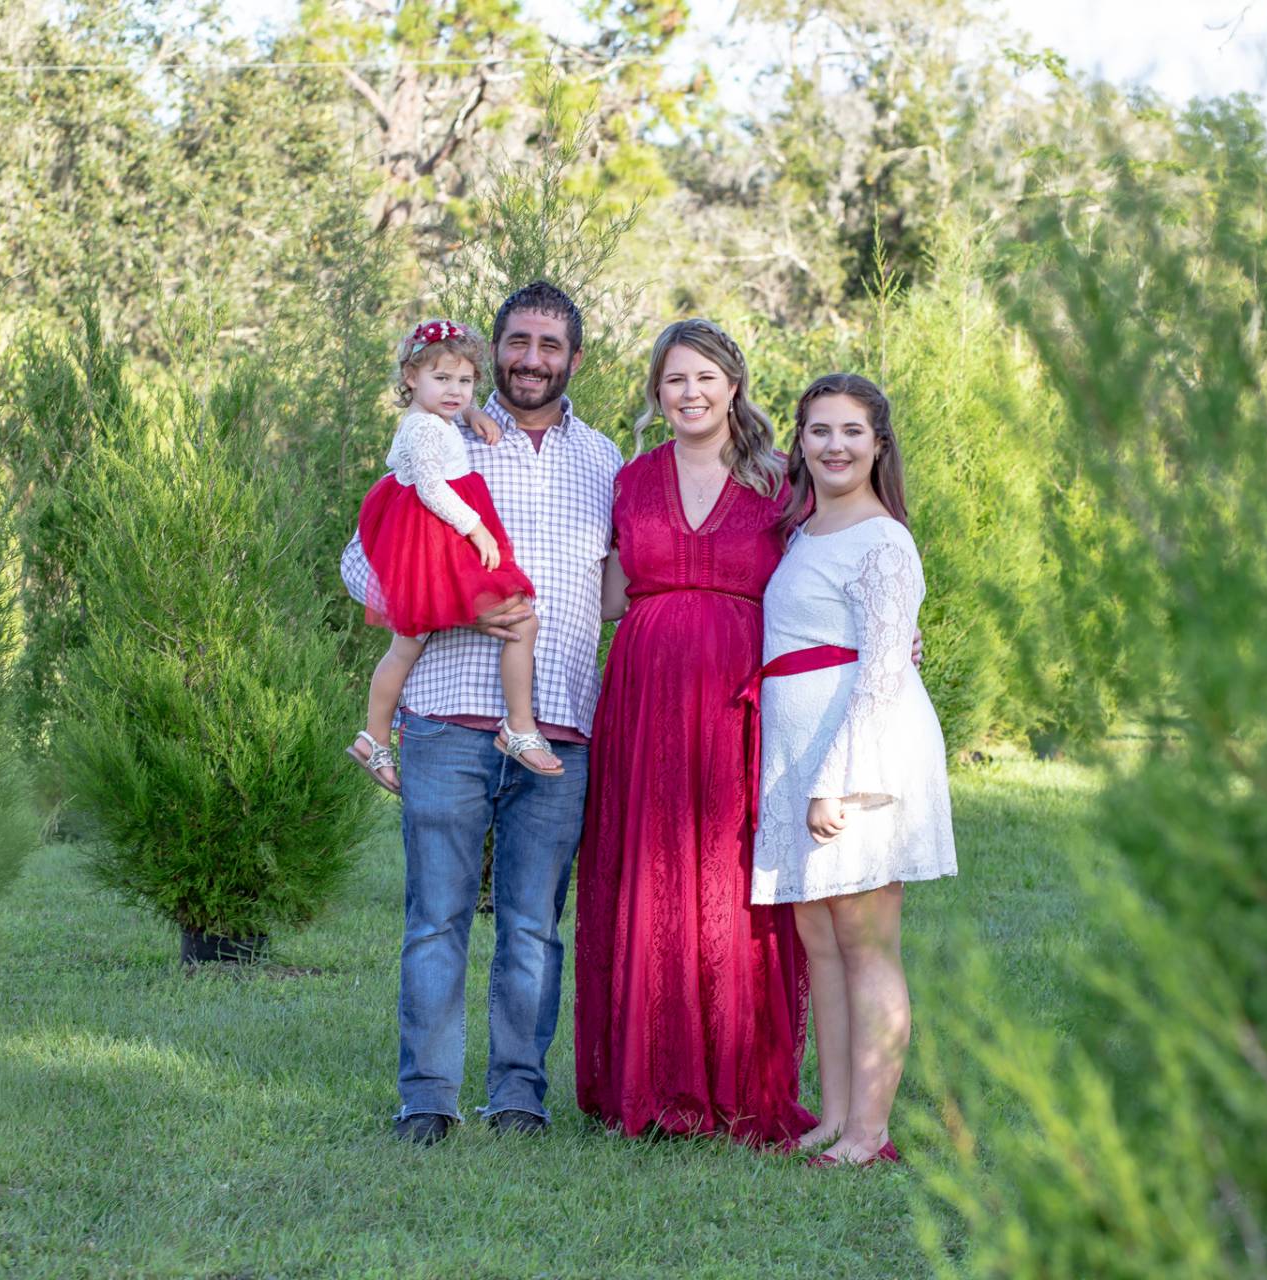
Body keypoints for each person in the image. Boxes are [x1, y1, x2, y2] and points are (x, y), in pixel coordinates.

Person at [340, 282, 622, 1144]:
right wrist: (458, 605)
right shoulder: (440, 433)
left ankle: (518, 1101)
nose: (532, 359)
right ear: (492, 349)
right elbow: (362, 565)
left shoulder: (606, 460)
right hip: (447, 716)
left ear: (575, 358)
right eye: (518, 341)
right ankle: (426, 1101)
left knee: (536, 926)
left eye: (551, 345)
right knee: (437, 919)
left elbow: (622, 587)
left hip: (561, 723)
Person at [575, 318, 819, 1147]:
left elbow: (833, 567)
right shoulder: (629, 480)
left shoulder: (780, 479)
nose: (690, 393)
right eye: (675, 379)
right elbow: (605, 595)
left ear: (734, 386)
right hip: (644, 696)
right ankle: (652, 1074)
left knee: (730, 873)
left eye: (706, 377)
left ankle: (741, 1082)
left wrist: (889, 633)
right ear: (656, 390)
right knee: (649, 870)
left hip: (740, 699)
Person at [748, 372, 957, 1167]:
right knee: (822, 941)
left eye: (852, 432)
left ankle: (872, 1130)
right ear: (799, 440)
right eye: (819, 431)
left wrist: (834, 779)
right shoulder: (805, 533)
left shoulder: (883, 540)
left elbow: (880, 672)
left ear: (879, 445)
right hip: (798, 750)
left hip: (859, 754)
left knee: (867, 944)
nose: (835, 446)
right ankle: (835, 1117)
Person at [347, 319, 561, 795]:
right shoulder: (424, 429)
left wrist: (470, 416)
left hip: (425, 537)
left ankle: (374, 737)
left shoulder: (437, 419)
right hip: (432, 535)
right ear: (410, 377)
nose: (455, 390)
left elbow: (442, 420)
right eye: (442, 379)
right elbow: (429, 485)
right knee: (522, 620)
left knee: (407, 645)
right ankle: (519, 725)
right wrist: (476, 527)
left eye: (465, 381)